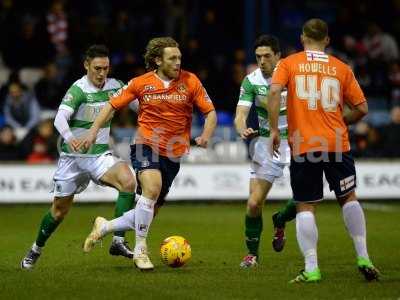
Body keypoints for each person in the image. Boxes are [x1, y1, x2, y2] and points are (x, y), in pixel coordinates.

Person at [80, 37, 217, 270]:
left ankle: (105, 227)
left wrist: (205, 135)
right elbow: (111, 106)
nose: (177, 62)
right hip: (146, 145)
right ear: (157, 60)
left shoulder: (190, 81)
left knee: (149, 209)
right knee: (151, 189)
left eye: (179, 58)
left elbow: (210, 113)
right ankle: (141, 251)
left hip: (173, 154)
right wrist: (93, 132)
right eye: (172, 58)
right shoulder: (141, 83)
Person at [268, 18, 379, 283]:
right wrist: (343, 122)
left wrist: (274, 130)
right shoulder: (342, 68)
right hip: (337, 143)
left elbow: (273, 93)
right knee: (349, 197)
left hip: (305, 144)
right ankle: (363, 256)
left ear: (302, 38)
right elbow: (362, 108)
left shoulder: (289, 64)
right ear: (327, 40)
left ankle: (312, 268)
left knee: (306, 205)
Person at [20, 45, 137, 269]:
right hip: (73, 158)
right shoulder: (78, 89)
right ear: (86, 65)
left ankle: (118, 240)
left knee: (128, 181)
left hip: (99, 154)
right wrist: (70, 137)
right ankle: (36, 249)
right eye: (97, 68)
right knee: (59, 212)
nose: (102, 73)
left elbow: (138, 106)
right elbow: (59, 119)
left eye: (106, 68)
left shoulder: (116, 87)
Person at [234, 35, 297, 268]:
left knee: (304, 198)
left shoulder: (293, 75)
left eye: (267, 56)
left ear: (278, 56)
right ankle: (252, 255)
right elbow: (240, 114)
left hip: (296, 141)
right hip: (265, 144)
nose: (262, 61)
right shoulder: (251, 81)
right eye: (258, 56)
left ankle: (280, 220)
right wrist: (242, 128)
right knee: (253, 204)